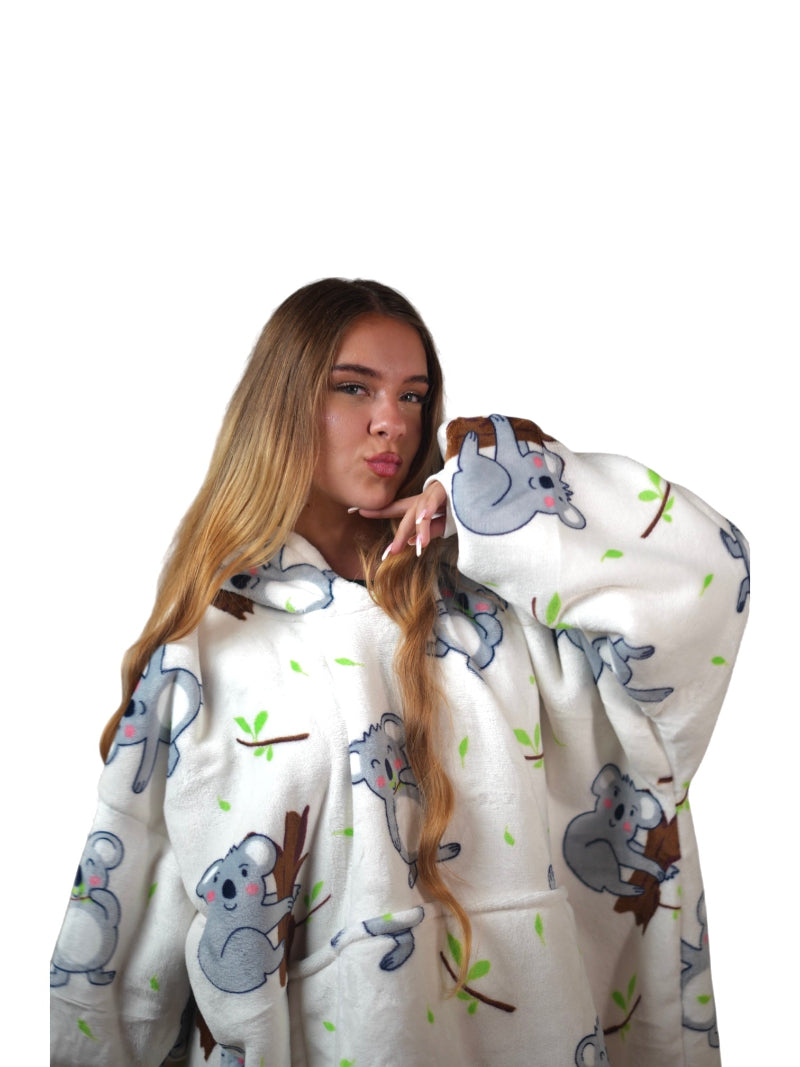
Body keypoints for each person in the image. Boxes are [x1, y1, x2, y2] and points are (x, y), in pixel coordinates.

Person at [49, 278, 749, 1066]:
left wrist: (478, 498)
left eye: (412, 395)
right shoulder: (206, 653)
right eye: (354, 388)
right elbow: (117, 964)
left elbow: (705, 571)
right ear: (282, 404)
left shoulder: (502, 611)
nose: (393, 421)